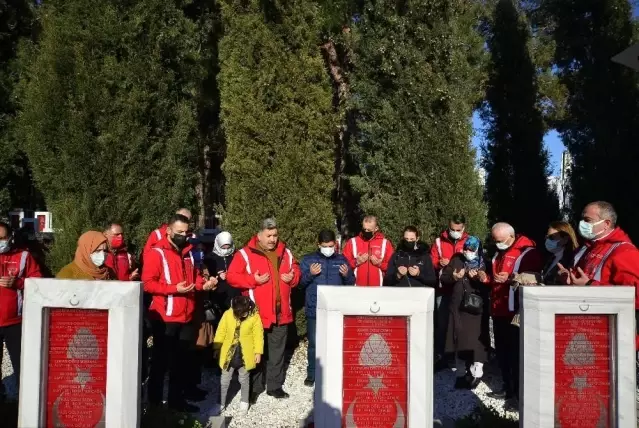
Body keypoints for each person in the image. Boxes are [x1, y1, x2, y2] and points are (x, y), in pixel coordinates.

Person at [142, 214, 217, 412]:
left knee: (181, 361)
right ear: (168, 231)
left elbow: (195, 278)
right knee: (160, 362)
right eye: (179, 232)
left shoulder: (189, 253)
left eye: (186, 232)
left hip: (186, 314)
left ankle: (177, 401)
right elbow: (148, 283)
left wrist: (205, 284)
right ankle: (155, 405)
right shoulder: (156, 253)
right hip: (165, 316)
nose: (183, 236)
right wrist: (174, 288)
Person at [227, 217, 300, 402]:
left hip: (280, 313)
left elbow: (297, 271)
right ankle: (254, 387)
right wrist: (253, 280)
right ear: (259, 235)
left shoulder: (286, 252)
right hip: (256, 315)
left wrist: (292, 276)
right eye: (269, 235)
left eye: (275, 235)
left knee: (277, 352)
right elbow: (232, 277)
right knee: (254, 352)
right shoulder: (244, 254)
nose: (273, 239)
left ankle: (274, 386)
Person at [557, 201, 639, 350]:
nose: (582, 224)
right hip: (584, 329)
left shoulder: (624, 252)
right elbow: (583, 278)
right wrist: (569, 279)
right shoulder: (586, 248)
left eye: (587, 220)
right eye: (582, 219)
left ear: (606, 223)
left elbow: (635, 296)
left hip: (612, 335)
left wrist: (589, 285)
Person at [487, 222, 543, 410]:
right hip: (499, 308)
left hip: (516, 312)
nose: (497, 244)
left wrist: (512, 278)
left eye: (500, 241)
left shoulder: (528, 253)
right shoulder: (499, 252)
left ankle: (520, 397)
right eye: (495, 241)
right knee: (503, 353)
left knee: (516, 356)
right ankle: (507, 388)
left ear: (511, 237)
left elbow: (535, 279)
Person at [299, 229, 355, 386]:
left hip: (335, 311)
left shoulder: (342, 260)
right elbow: (299, 284)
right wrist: (310, 274)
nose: (328, 249)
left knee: (336, 343)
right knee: (314, 343)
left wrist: (347, 276)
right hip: (314, 309)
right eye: (325, 246)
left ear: (335, 245)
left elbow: (351, 283)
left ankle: (334, 372)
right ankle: (312, 374)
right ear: (318, 244)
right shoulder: (309, 260)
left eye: (331, 245)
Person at [439, 236, 489, 389]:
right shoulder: (457, 259)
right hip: (458, 307)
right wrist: (454, 276)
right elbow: (444, 278)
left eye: (471, 249)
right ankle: (461, 371)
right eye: (466, 248)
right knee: (458, 337)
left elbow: (491, 283)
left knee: (477, 340)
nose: (468, 251)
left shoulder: (484, 262)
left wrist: (482, 279)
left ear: (478, 249)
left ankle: (477, 372)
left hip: (476, 308)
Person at [0, 222, 42, 400]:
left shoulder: (24, 256)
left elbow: (38, 281)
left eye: (2, 238)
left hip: (15, 322)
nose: (0, 241)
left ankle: (21, 400)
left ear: (10, 237)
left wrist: (18, 283)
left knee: (20, 363)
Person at [213, 296, 264, 415]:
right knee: (224, 380)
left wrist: (258, 352)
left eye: (243, 313)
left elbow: (258, 335)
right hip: (228, 354)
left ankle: (244, 401)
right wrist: (216, 347)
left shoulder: (254, 316)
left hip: (245, 354)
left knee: (244, 379)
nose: (241, 316)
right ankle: (220, 403)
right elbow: (221, 331)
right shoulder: (227, 314)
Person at [430, 215, 469, 369]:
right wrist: (439, 263)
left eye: (458, 230)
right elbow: (431, 260)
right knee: (442, 323)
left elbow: (476, 260)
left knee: (461, 323)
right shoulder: (439, 241)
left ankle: (461, 356)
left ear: (463, 228)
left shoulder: (469, 241)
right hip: (443, 289)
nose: (455, 232)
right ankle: (441, 356)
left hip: (462, 290)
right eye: (452, 229)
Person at [342, 215, 394, 286]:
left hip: (378, 288)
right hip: (357, 287)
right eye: (364, 229)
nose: (366, 231)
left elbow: (392, 266)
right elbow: (343, 264)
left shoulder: (385, 243)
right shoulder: (352, 242)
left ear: (376, 228)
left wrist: (380, 264)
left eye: (369, 230)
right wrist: (356, 262)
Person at [206, 231, 242, 316]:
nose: (226, 250)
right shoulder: (210, 258)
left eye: (228, 247)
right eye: (223, 247)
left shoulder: (236, 256)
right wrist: (217, 276)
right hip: (218, 294)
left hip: (235, 293)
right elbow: (206, 275)